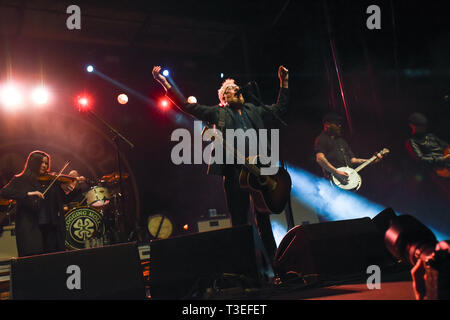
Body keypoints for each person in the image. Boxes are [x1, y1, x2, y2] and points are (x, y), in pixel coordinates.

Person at [152, 65, 289, 264]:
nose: (235, 90)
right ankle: (247, 272)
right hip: (235, 172)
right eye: (229, 90)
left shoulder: (254, 110)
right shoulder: (218, 113)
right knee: (240, 224)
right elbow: (187, 106)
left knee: (264, 221)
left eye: (236, 88)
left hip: (260, 169)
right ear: (223, 99)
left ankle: (279, 268)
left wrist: (284, 82)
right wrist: (164, 82)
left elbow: (280, 109)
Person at [0, 151, 86, 257]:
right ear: (34, 163)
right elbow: (4, 192)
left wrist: (76, 186)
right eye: (42, 163)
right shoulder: (21, 179)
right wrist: (28, 194)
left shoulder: (51, 180)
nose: (45, 166)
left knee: (53, 259)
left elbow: (64, 199)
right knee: (35, 261)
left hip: (51, 227)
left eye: (46, 163)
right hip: (31, 228)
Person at [314, 113, 381, 184]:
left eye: (340, 124)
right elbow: (320, 159)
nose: (339, 126)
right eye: (336, 124)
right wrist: (336, 172)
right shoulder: (322, 139)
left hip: (347, 179)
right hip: (333, 180)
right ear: (327, 124)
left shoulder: (341, 141)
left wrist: (370, 160)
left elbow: (353, 160)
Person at [405, 112, 449, 177]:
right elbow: (421, 159)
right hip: (436, 171)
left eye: (424, 125)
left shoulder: (430, 136)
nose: (423, 128)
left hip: (446, 164)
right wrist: (442, 159)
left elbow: (446, 146)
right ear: (412, 126)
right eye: (420, 126)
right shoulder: (412, 142)